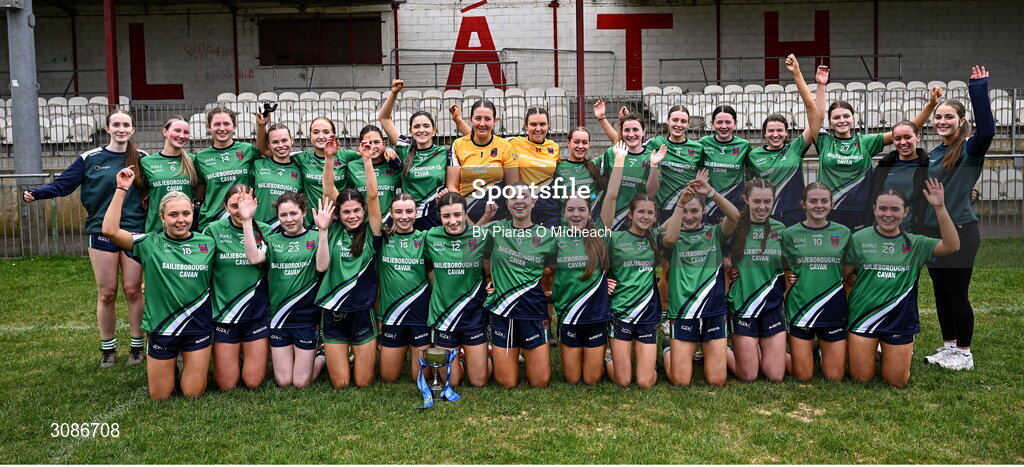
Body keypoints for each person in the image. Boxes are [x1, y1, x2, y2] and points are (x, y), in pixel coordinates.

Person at [23, 110, 146, 368]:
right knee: (107, 293)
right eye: (117, 124)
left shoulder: (142, 158)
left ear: (133, 130)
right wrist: (38, 193)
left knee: (133, 290)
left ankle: (137, 346)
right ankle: (108, 349)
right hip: (100, 231)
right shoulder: (90, 158)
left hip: (135, 231)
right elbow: (64, 185)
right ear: (107, 128)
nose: (121, 129)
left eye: (126, 125)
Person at [101, 169, 214, 401]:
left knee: (192, 393)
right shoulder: (149, 243)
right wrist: (121, 190)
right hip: (162, 327)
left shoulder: (208, 243)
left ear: (193, 213)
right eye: (173, 215)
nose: (181, 220)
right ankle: (169, 364)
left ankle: (183, 362)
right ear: (162, 217)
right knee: (160, 396)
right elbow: (109, 231)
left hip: (198, 325)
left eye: (185, 213)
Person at [845, 181, 959, 387]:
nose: (888, 214)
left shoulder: (916, 243)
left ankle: (891, 350)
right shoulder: (858, 238)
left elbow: (952, 245)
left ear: (905, 212)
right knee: (861, 378)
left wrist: (939, 208)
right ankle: (868, 349)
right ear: (874, 210)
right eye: (883, 208)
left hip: (900, 320)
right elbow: (843, 275)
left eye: (895, 209)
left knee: (896, 381)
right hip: (863, 317)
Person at [921, 66, 994, 371]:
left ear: (961, 121)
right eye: (938, 117)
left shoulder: (969, 148)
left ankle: (964, 353)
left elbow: (988, 131)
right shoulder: (936, 151)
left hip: (961, 229)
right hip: (931, 230)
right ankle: (949, 345)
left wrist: (978, 89)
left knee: (956, 291)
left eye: (948, 117)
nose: (941, 121)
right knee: (940, 289)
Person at [814, 71, 939, 231]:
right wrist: (821, 86)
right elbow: (814, 114)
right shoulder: (824, 141)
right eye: (836, 117)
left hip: (860, 210)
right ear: (829, 121)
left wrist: (930, 105)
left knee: (858, 254)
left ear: (853, 118)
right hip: (830, 209)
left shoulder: (865, 142)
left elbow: (906, 129)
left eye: (846, 116)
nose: (842, 120)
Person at [239, 190, 327, 389]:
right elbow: (254, 258)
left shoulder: (315, 237)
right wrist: (246, 220)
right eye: (283, 215)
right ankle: (312, 354)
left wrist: (323, 231)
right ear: (277, 217)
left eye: (293, 213)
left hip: (306, 317)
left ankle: (321, 357)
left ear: (303, 212)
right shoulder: (273, 239)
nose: (289, 219)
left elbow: (322, 266)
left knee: (301, 382)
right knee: (284, 381)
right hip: (279, 317)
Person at [316, 136, 384, 389]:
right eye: (346, 211)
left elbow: (374, 196)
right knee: (341, 384)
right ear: (338, 213)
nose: (352, 215)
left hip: (362, 312)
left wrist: (367, 161)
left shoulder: (372, 231)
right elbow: (327, 190)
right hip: (333, 312)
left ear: (363, 212)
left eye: (356, 210)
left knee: (364, 383)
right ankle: (324, 355)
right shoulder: (333, 230)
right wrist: (330, 159)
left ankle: (356, 354)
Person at [661, 170, 739, 387]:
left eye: (694, 211)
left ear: (704, 211)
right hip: (684, 311)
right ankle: (668, 347)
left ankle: (709, 350)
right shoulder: (673, 236)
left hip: (713, 310)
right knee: (680, 381)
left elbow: (734, 216)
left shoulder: (714, 233)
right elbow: (668, 238)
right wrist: (680, 203)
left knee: (717, 380)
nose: (689, 216)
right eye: (685, 211)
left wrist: (711, 192)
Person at [601, 142, 661, 388]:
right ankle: (608, 357)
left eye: (650, 213)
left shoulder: (657, 237)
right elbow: (612, 196)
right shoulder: (613, 237)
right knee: (623, 380)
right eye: (641, 212)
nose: (646, 216)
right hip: (620, 312)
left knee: (646, 382)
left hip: (647, 314)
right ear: (630, 214)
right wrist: (619, 160)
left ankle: (664, 352)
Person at [202, 185, 272, 391]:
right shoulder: (213, 230)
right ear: (225, 207)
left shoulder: (266, 231)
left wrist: (248, 219)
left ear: (255, 205)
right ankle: (234, 358)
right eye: (234, 206)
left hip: (256, 315)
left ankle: (247, 356)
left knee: (253, 382)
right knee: (227, 385)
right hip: (224, 316)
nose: (240, 211)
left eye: (246, 205)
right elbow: (196, 263)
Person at [485, 183, 556, 388]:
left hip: (533, 311)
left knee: (540, 381)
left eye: (524, 196)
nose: (519, 201)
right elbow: (467, 241)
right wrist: (484, 283)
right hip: (502, 311)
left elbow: (565, 267)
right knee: (507, 382)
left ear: (533, 201)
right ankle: (488, 355)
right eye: (513, 197)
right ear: (507, 203)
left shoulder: (547, 236)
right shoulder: (496, 229)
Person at [424, 192, 496, 387]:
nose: (453, 221)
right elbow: (421, 262)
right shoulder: (430, 236)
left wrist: (492, 280)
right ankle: (461, 358)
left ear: (465, 214)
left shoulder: (481, 235)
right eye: (447, 216)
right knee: (452, 382)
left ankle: (487, 354)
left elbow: (502, 257)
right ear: (439, 216)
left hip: (474, 315)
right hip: (444, 316)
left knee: (479, 381)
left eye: (457, 215)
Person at [780, 182, 850, 382]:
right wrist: (787, 274)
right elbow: (784, 266)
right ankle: (770, 355)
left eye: (824, 201)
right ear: (803, 204)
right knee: (803, 376)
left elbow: (848, 270)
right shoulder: (789, 234)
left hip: (833, 309)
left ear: (832, 203)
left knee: (834, 377)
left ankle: (821, 350)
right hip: (801, 309)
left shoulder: (844, 233)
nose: (819, 205)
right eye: (813, 201)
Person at [746, 55, 825, 227]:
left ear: (786, 132)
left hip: (794, 212)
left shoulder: (795, 148)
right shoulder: (753, 155)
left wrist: (818, 85)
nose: (775, 134)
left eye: (779, 130)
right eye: (771, 131)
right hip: (766, 213)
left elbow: (816, 118)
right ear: (764, 133)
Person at [726, 178, 787, 383]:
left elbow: (789, 263)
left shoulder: (781, 229)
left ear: (773, 200)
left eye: (767, 202)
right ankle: (718, 349)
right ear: (746, 200)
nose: (762, 207)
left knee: (776, 376)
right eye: (757, 201)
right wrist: (726, 267)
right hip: (743, 306)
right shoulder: (733, 227)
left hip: (772, 306)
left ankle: (761, 352)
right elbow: (713, 254)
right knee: (749, 375)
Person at [551, 195, 612, 386]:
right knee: (572, 379)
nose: (576, 214)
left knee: (592, 380)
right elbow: (532, 261)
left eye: (581, 210)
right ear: (564, 213)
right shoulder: (555, 237)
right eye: (570, 210)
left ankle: (607, 357)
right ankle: (596, 354)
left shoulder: (600, 233)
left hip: (596, 315)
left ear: (590, 213)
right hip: (569, 315)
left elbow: (612, 195)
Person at [377, 193, 433, 383]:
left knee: (422, 378)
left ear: (416, 213)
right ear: (391, 213)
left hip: (420, 315)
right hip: (392, 315)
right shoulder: (382, 239)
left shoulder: (425, 238)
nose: (404, 216)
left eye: (409, 211)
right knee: (388, 377)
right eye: (398, 212)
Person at [379, 79, 450, 230]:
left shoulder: (444, 152)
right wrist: (394, 93)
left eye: (426, 126)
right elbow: (384, 119)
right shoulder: (404, 148)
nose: (421, 130)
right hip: (407, 217)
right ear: (411, 131)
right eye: (416, 126)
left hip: (434, 215)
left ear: (434, 130)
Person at [448, 100, 518, 223]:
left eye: (487, 119)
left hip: (497, 219)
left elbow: (512, 188)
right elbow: (452, 186)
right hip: (464, 219)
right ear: (470, 119)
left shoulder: (504, 146)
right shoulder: (458, 145)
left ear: (495, 121)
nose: (482, 123)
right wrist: (465, 218)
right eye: (478, 118)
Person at [193, 107, 262, 230]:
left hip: (240, 216)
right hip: (211, 219)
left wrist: (262, 126)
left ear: (234, 126)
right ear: (209, 127)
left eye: (226, 124)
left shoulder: (248, 150)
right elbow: (200, 186)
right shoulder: (201, 157)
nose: (222, 128)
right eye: (217, 124)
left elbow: (269, 154)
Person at [597, 113, 662, 230]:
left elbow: (651, 192)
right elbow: (602, 184)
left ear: (643, 132)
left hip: (639, 219)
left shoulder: (652, 156)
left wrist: (654, 166)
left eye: (635, 129)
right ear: (621, 132)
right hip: (612, 218)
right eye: (627, 130)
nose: (631, 134)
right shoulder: (612, 153)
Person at [138, 116, 199, 233]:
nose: (182, 135)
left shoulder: (193, 160)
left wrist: (196, 204)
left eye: (186, 132)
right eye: (177, 131)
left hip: (185, 227)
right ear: (165, 131)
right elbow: (143, 192)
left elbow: (200, 187)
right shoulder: (147, 162)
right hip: (156, 228)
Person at [869, 121, 930, 233]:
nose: (903, 142)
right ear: (892, 141)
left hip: (911, 230)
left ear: (918, 137)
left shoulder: (927, 167)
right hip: (880, 230)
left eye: (907, 137)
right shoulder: (883, 166)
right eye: (897, 138)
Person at [644, 105, 703, 223]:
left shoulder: (698, 148)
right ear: (667, 121)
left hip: (687, 209)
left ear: (688, 124)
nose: (679, 124)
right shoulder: (656, 143)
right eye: (675, 120)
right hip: (663, 207)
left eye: (683, 121)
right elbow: (632, 148)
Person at [699, 105, 751, 224]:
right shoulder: (703, 143)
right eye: (719, 122)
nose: (723, 126)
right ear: (712, 123)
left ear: (735, 123)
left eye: (728, 122)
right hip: (710, 204)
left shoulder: (743, 145)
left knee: (736, 241)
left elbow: (751, 173)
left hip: (736, 204)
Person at [253, 117, 304, 231]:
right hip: (259, 228)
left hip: (288, 230)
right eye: (275, 142)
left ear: (292, 140)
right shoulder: (257, 164)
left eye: (284, 140)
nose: (281, 145)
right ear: (268, 144)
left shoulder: (300, 169)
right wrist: (261, 125)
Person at [345, 125, 402, 224]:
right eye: (368, 143)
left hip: (390, 224)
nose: (373, 146)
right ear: (361, 145)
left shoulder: (392, 164)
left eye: (377, 142)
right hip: (363, 224)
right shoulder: (352, 166)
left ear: (383, 144)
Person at [553, 126, 604, 205]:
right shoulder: (557, 168)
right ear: (568, 143)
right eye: (576, 142)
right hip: (566, 217)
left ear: (589, 144)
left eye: (584, 142)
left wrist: (592, 197)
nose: (580, 146)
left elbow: (617, 147)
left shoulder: (595, 164)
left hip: (591, 217)